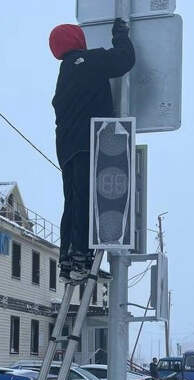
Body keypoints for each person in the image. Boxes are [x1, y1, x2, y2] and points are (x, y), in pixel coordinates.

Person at [50, 18, 135, 281]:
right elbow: (124, 61)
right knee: (87, 198)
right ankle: (81, 258)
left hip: (66, 147)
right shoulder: (88, 61)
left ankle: (67, 260)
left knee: (72, 200)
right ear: (78, 40)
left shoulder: (64, 72)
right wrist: (120, 35)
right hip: (89, 142)